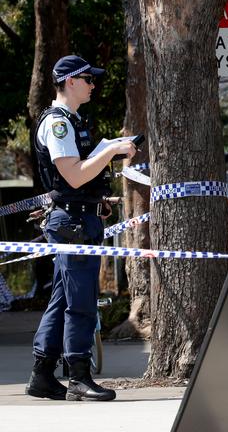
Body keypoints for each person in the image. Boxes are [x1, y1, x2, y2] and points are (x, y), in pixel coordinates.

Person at [26, 55, 136, 401]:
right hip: (72, 221)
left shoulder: (70, 121)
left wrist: (106, 156)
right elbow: (73, 175)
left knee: (62, 298)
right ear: (70, 81)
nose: (92, 85)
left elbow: (79, 175)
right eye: (88, 79)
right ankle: (78, 376)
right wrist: (112, 150)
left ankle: (43, 374)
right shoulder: (59, 124)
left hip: (79, 217)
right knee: (81, 300)